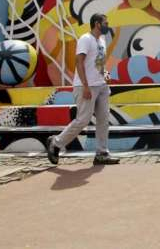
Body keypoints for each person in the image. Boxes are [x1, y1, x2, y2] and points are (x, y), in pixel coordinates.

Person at [46, 13, 119, 165]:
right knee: (83, 120)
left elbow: (99, 62)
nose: (108, 25)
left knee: (103, 120)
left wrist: (104, 73)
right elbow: (79, 63)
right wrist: (85, 86)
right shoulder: (85, 39)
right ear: (97, 24)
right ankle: (56, 142)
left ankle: (102, 153)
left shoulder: (102, 40)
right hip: (87, 86)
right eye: (105, 23)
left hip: (101, 86)